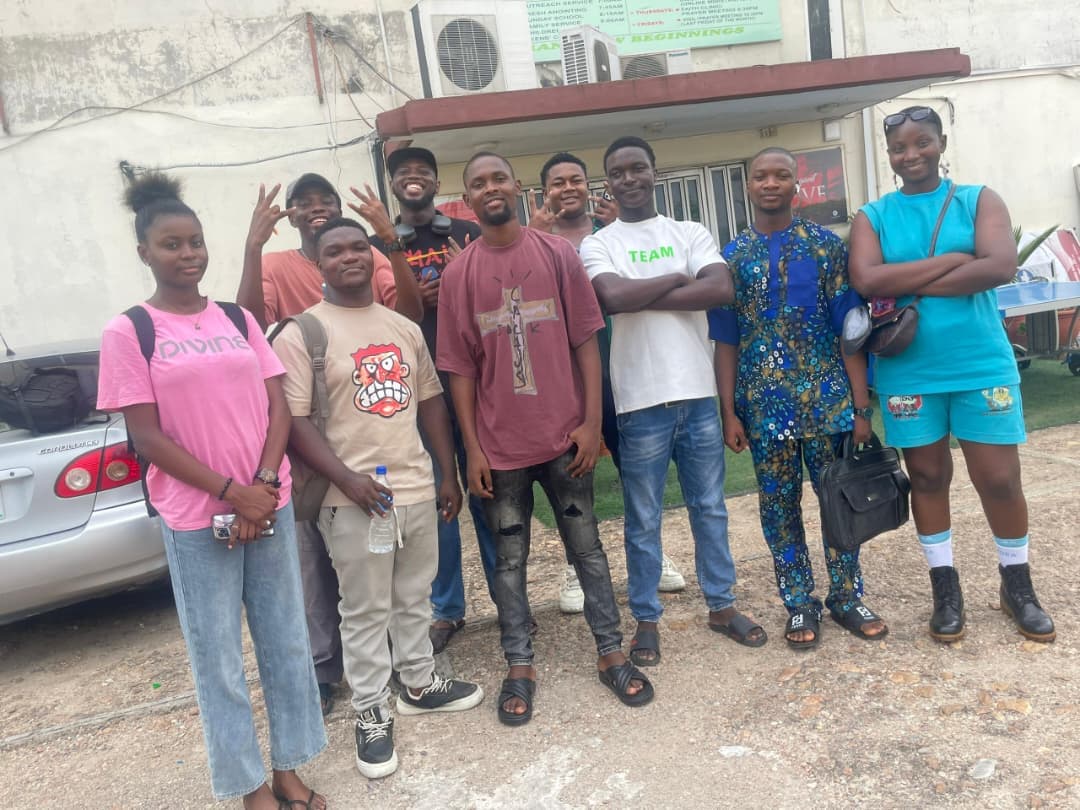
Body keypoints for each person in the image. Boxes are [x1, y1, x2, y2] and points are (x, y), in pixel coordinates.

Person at [97, 173, 326, 809]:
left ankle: (289, 767)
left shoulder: (236, 318)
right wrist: (231, 492)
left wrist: (258, 485)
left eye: (195, 242)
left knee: (285, 642)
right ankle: (248, 784)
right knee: (219, 660)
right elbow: (147, 437)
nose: (188, 254)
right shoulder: (130, 331)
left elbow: (277, 403)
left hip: (267, 501)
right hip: (198, 519)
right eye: (171, 244)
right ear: (144, 251)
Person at [438, 151, 653, 726]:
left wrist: (588, 421)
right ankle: (519, 664)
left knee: (587, 549)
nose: (490, 189)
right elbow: (458, 365)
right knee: (509, 562)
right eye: (477, 182)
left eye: (498, 178)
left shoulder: (557, 255)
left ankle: (611, 651)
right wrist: (473, 448)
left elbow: (586, 339)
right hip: (499, 446)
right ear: (468, 198)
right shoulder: (460, 272)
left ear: (516, 187)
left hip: (563, 436)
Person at [274, 216, 483, 780]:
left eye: (358, 247)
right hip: (352, 498)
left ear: (374, 256)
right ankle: (370, 708)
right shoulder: (303, 332)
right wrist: (346, 479)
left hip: (413, 486)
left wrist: (447, 474)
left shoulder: (402, 326)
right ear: (317, 263)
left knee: (414, 595)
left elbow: (430, 402)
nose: (350, 257)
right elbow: (293, 421)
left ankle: (418, 681)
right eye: (335, 250)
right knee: (365, 609)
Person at [849, 106, 1054, 643]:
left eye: (922, 143)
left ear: (941, 143)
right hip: (908, 372)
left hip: (979, 363)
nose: (911, 155)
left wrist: (909, 279)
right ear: (889, 155)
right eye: (899, 148)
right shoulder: (873, 215)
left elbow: (999, 266)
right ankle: (946, 590)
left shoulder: (978, 199)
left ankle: (1017, 586)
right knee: (929, 478)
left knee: (1000, 479)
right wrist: (954, 261)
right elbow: (867, 280)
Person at [237, 172, 424, 715]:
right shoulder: (277, 268)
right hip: (302, 433)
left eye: (326, 202)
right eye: (304, 204)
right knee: (314, 563)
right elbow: (249, 322)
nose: (315, 211)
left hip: (366, 429)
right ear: (293, 218)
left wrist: (389, 240)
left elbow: (405, 313)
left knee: (378, 558)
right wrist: (252, 248)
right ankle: (325, 669)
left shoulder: (366, 253)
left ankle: (396, 663)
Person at [581, 135, 763, 667]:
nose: (629, 178)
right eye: (618, 172)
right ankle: (646, 618)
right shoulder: (599, 243)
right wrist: (676, 278)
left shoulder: (690, 230)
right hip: (639, 402)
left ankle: (722, 605)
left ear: (654, 172)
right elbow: (611, 299)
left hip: (698, 395)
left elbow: (720, 289)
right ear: (608, 182)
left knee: (710, 508)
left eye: (638, 168)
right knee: (643, 518)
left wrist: (646, 293)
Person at [710, 147, 887, 650]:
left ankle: (847, 596)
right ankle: (799, 602)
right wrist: (729, 411)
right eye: (760, 175)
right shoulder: (733, 257)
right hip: (765, 411)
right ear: (748, 186)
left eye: (780, 175)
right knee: (779, 507)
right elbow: (727, 340)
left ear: (796, 185)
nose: (770, 183)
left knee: (840, 501)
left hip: (827, 403)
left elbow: (849, 334)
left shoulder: (826, 248)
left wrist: (860, 409)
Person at [529, 151, 687, 615]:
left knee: (635, 471)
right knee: (573, 477)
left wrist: (625, 230)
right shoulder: (531, 243)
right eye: (557, 183)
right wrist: (534, 238)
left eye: (575, 180)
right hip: (564, 377)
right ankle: (576, 569)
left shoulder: (611, 235)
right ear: (544, 193)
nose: (567, 188)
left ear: (588, 185)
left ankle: (652, 558)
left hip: (621, 368)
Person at [366, 146, 498, 654]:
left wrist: (462, 280)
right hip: (415, 391)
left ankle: (506, 600)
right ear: (393, 183)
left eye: (423, 171)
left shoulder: (466, 235)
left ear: (438, 181)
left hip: (473, 383)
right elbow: (384, 314)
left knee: (488, 494)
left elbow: (491, 295)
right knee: (439, 498)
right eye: (404, 173)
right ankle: (447, 609)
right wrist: (415, 301)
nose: (413, 178)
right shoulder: (376, 244)